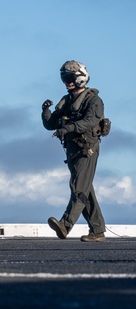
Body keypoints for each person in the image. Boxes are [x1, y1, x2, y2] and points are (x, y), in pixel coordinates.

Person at [41, 60, 108, 242]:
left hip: (87, 149)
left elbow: (90, 122)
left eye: (70, 78)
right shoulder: (67, 101)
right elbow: (50, 124)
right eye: (65, 79)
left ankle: (65, 224)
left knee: (78, 189)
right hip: (72, 150)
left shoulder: (93, 100)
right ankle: (97, 230)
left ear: (80, 78)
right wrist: (45, 111)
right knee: (86, 190)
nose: (67, 82)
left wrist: (67, 129)